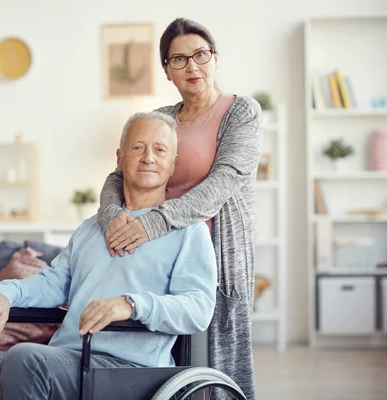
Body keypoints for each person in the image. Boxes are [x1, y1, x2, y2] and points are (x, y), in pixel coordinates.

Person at [0, 111, 218, 400]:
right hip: (67, 360)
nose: (148, 157)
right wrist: (4, 293)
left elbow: (198, 308)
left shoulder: (188, 233)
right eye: (137, 147)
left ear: (173, 163)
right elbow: (53, 282)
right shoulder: (92, 228)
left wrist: (131, 304)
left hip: (129, 370)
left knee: (27, 358)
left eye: (160, 149)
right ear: (119, 157)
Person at [97, 18, 263, 400]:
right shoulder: (160, 118)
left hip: (217, 257)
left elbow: (224, 182)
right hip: (159, 254)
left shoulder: (242, 113)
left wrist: (155, 221)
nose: (191, 66)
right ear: (166, 70)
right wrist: (111, 218)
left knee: (216, 367)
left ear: (215, 58)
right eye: (178, 59)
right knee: (157, 359)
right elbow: (116, 174)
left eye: (200, 55)